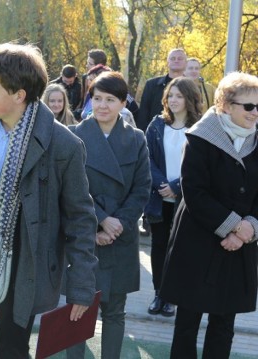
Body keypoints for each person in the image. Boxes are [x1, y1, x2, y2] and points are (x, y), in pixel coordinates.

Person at [0, 42, 98, 358]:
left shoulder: (64, 145)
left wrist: (81, 287)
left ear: (19, 95)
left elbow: (80, 218)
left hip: (24, 261)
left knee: (13, 349)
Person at [160, 72, 258, 359]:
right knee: (187, 322)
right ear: (226, 105)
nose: (255, 113)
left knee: (224, 323)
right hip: (197, 242)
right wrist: (234, 227)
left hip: (240, 246)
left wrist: (247, 230)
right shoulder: (201, 137)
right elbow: (194, 192)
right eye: (249, 106)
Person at [65, 71, 151, 359]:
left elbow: (142, 189)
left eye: (110, 100)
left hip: (120, 238)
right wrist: (101, 219)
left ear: (123, 102)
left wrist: (117, 225)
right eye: (97, 98)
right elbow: (69, 189)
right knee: (77, 311)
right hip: (84, 236)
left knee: (115, 312)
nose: (102, 105)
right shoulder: (75, 135)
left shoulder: (136, 139)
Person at [144, 77, 201, 317]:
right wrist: (162, 184)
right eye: (171, 95)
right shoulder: (156, 125)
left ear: (189, 98)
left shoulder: (200, 127)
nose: (174, 100)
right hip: (158, 198)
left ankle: (172, 297)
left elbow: (199, 164)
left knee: (178, 248)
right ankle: (159, 293)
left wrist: (177, 186)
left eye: (179, 95)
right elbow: (146, 158)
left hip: (185, 199)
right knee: (158, 246)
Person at [137, 48, 187, 131]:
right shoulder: (152, 85)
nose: (176, 61)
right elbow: (143, 113)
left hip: (184, 133)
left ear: (186, 63)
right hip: (155, 134)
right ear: (168, 62)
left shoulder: (192, 86)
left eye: (180, 58)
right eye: (173, 58)